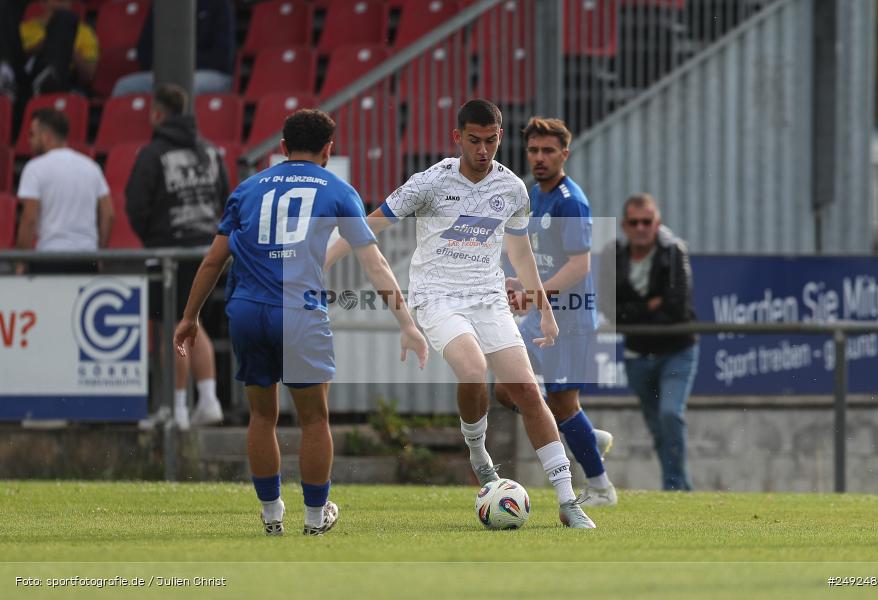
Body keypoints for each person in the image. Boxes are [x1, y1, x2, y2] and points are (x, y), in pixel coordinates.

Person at [326, 99, 597, 528]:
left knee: (526, 389)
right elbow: (368, 225)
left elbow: (521, 253)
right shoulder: (431, 182)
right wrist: (322, 262)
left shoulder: (512, 189)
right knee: (473, 369)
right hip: (436, 295)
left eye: (491, 141)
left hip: (488, 296)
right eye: (474, 140)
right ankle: (478, 449)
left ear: (500, 137)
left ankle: (567, 500)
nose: (483, 150)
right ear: (458, 138)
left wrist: (544, 309)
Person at [174, 108, 428, 536]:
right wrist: (406, 322)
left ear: (282, 149)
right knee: (313, 420)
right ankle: (314, 520)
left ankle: (272, 517)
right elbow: (375, 263)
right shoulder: (338, 190)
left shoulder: (247, 189)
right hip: (299, 313)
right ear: (328, 149)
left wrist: (189, 316)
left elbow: (214, 260)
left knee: (261, 417)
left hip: (247, 311)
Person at [495, 116, 617, 507]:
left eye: (548, 150)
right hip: (541, 314)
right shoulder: (535, 194)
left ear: (565, 153)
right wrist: (518, 283)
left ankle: (601, 488)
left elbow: (580, 265)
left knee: (564, 404)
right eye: (533, 150)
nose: (540, 157)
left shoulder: (571, 202)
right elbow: (538, 256)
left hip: (569, 319)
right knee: (505, 389)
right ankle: (583, 435)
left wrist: (535, 295)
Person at [125, 83, 229, 430]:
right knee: (193, 321)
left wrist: (154, 237)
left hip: (168, 250)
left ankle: (178, 411)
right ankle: (210, 399)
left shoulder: (153, 154)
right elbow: (226, 198)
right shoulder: (211, 151)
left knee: (172, 326)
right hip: (207, 250)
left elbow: (136, 204)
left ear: (157, 113)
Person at [600, 193, 699, 491]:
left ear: (658, 224)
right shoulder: (613, 255)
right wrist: (649, 307)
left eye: (647, 222)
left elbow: (677, 306)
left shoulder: (673, 251)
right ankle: (680, 487)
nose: (641, 228)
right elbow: (608, 307)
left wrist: (634, 311)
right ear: (624, 226)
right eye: (634, 222)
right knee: (657, 427)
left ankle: (676, 487)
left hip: (676, 350)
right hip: (637, 353)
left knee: (670, 414)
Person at [15, 108, 113, 273]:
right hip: (87, 259)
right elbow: (109, 214)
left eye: (32, 134)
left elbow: (29, 219)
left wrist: (21, 262)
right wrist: (100, 254)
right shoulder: (91, 166)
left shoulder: (34, 168)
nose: (28, 140)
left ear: (46, 137)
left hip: (49, 259)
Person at [111, 0, 234, 97]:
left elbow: (222, 58)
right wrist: (165, 65)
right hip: (166, 73)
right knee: (124, 86)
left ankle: (181, 128)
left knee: (186, 85)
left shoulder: (218, 3)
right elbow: (143, 51)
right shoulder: (162, 5)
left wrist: (182, 62)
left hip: (209, 74)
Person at [19, 0, 98, 95]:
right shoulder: (24, 29)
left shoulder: (84, 32)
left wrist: (68, 48)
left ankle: (49, 76)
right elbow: (17, 61)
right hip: (27, 78)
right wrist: (44, 45)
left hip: (65, 81)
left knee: (65, 19)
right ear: (43, 2)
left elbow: (89, 77)